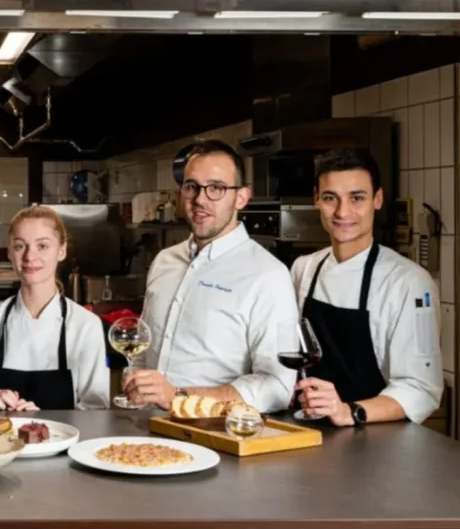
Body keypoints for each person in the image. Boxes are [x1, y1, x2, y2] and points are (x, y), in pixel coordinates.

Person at [124, 139, 299, 413]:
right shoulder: (164, 261)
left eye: (216, 188)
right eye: (192, 187)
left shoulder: (268, 275)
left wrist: (180, 397)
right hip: (147, 433)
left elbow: (277, 386)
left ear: (241, 197)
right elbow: (143, 350)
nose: (200, 199)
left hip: (217, 439)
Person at [289, 149, 443, 426]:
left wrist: (349, 412)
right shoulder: (304, 269)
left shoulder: (410, 283)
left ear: (378, 200)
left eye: (357, 198)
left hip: (376, 437)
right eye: (330, 198)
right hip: (310, 429)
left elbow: (421, 389)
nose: (342, 212)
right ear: (316, 200)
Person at [0, 205, 109, 411]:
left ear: (61, 250)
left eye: (42, 246)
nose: (29, 256)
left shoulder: (85, 325)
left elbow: (96, 408)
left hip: (67, 443)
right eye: (20, 246)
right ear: (10, 252)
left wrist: (47, 426)